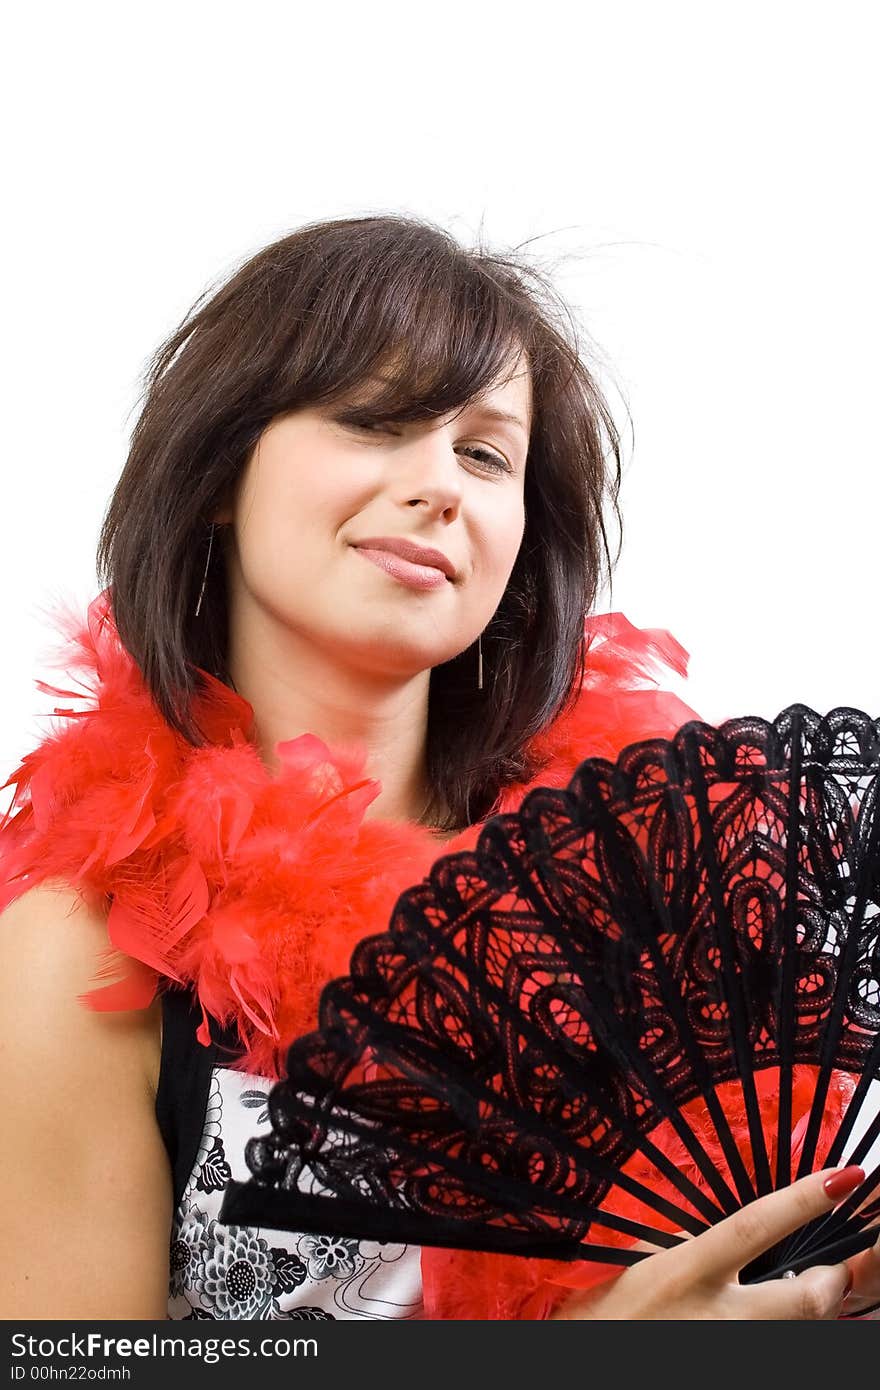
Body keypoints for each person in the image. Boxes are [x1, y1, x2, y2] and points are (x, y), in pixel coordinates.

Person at [1, 214, 877, 1320]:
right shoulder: (84, 943)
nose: (440, 485)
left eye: (484, 452)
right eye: (375, 420)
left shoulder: (653, 894)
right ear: (221, 468)